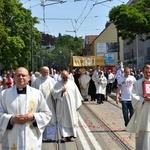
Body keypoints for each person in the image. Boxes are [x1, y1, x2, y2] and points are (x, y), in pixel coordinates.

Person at [0, 67, 51, 150]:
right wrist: (11, 119)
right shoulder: (4, 94)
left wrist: (33, 117)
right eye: (18, 75)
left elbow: (47, 113)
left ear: (28, 78)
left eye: (23, 75)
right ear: (14, 77)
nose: (20, 78)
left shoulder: (37, 94)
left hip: (31, 138)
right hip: (11, 139)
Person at [51, 70, 83, 142]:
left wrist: (78, 104)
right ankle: (63, 135)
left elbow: (76, 94)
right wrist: (61, 91)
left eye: (66, 77)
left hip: (71, 106)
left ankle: (71, 135)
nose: (65, 78)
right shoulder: (57, 84)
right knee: (63, 120)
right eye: (64, 77)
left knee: (71, 119)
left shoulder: (72, 84)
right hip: (62, 106)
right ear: (61, 77)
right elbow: (53, 93)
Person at [126, 64, 150, 149]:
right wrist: (143, 99)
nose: (148, 73)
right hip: (142, 111)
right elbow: (134, 96)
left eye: (149, 72)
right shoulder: (137, 83)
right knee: (142, 129)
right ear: (143, 72)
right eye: (146, 72)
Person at [31, 66, 57, 142]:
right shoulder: (36, 81)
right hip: (39, 104)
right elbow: (32, 92)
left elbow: (55, 92)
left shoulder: (52, 81)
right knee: (41, 119)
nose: (46, 73)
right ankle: (41, 136)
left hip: (50, 103)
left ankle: (51, 137)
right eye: (44, 71)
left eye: (47, 71)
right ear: (40, 72)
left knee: (51, 119)